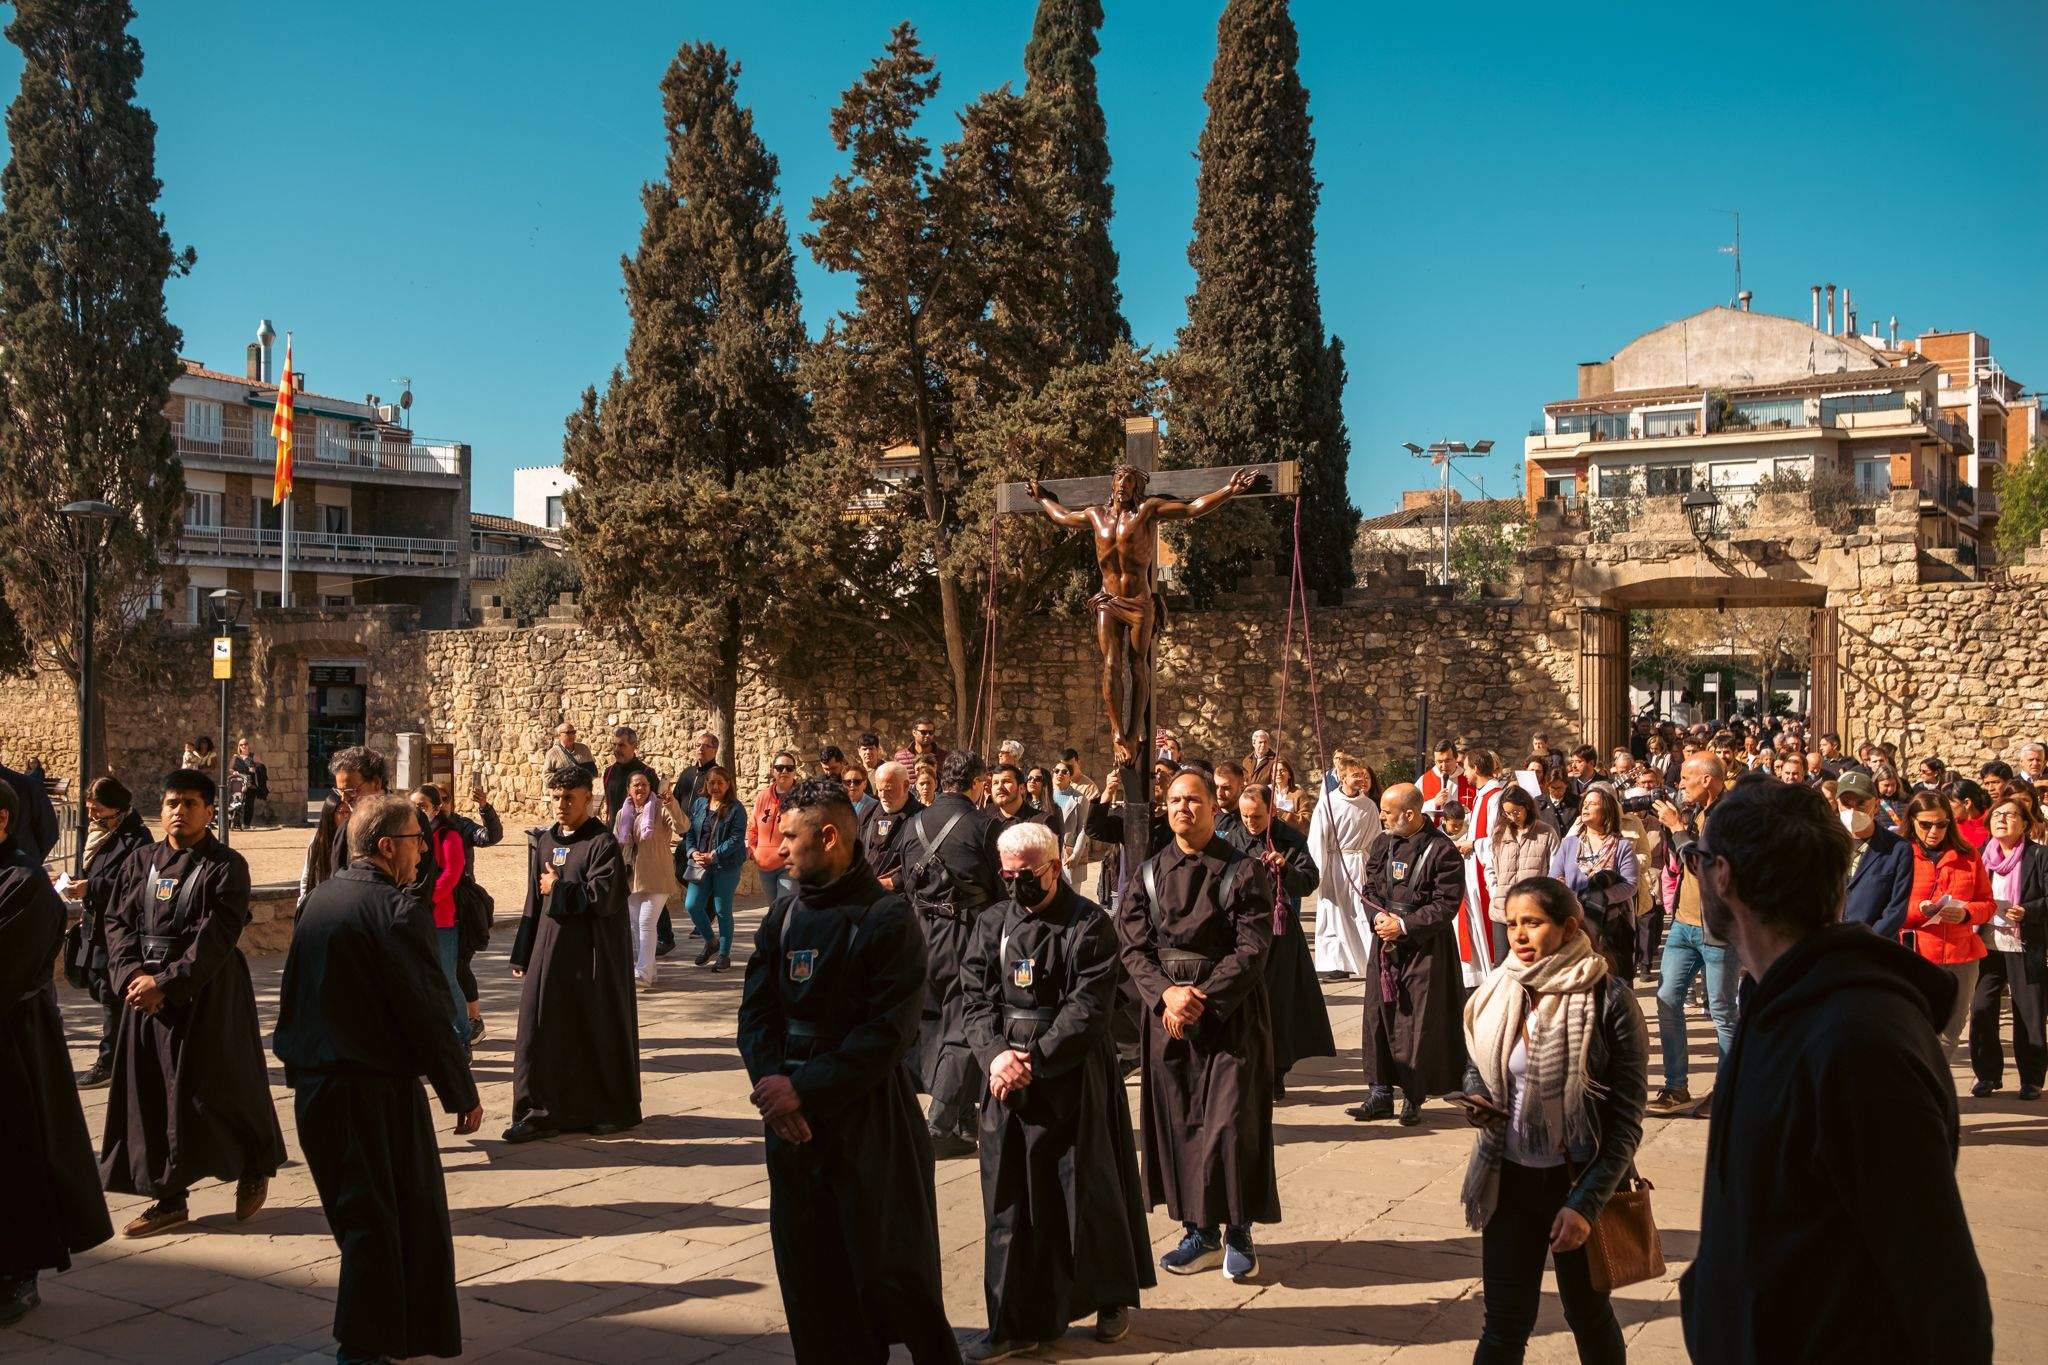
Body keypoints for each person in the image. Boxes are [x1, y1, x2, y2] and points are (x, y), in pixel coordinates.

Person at [1678, 779, 1992, 1364]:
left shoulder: (1857, 1039)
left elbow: (1940, 1285)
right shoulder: (1779, 1002)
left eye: (1697, 862)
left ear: (1723, 877)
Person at [735, 778, 959, 1365]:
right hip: (790, 1123)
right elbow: (755, 1013)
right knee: (810, 1275)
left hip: (867, 1121)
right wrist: (773, 1088)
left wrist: (802, 1089)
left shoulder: (886, 918)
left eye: (789, 836)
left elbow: (888, 1033)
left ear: (829, 836)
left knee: (891, 1271)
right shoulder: (783, 914)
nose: (776, 847)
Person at [274, 794, 484, 1365]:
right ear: (388, 846)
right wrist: (459, 1091)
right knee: (378, 1221)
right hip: (372, 1091)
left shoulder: (321, 898)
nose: (424, 853)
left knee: (364, 1217)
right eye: (419, 841)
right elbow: (424, 1009)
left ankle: (391, 1333)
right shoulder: (395, 908)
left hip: (318, 1088)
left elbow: (292, 996)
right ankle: (363, 1347)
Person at [960, 821, 1151, 1359]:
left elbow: (1088, 1007)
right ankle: (1012, 1319)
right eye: (1008, 875)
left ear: (1055, 866)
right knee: (1007, 1200)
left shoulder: (1090, 925)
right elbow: (974, 996)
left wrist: (1035, 1058)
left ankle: (1108, 1296)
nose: (1016, 885)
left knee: (1085, 1191)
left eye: (1027, 875)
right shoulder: (992, 923)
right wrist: (996, 1055)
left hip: (1071, 1077)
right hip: (1004, 1077)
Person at [1459, 877, 1647, 1365]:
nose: (1518, 935)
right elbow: (1478, 1062)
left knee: (1587, 1315)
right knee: (1502, 1326)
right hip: (1509, 1180)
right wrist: (1479, 1096)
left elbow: (1626, 1123)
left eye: (1533, 923)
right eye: (1512, 923)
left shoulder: (1609, 998)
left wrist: (1585, 1205)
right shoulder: (1501, 987)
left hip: (1578, 1180)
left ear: (1568, 927)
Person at [99, 769, 285, 1236]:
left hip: (208, 992)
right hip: (144, 995)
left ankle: (253, 1165)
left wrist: (168, 981)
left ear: (209, 810)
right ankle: (167, 1197)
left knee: (222, 1087)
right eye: (170, 803)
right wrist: (134, 975)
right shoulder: (141, 861)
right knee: (153, 1094)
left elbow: (216, 936)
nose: (177, 812)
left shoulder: (226, 866)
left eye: (189, 803)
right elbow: (118, 923)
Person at [1118, 769, 1278, 1282]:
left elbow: (1252, 949)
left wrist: (1202, 998)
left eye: (1193, 799)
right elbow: (1133, 947)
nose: (1183, 808)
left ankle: (1239, 1232)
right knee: (1179, 1121)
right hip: (1167, 1013)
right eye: (1174, 801)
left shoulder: (1244, 871)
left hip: (1228, 1013)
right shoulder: (1147, 873)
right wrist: (1166, 993)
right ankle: (1199, 1231)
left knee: (1232, 1124)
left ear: (1213, 805)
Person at [0, 780, 113, 1326]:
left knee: (16, 1161)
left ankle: (17, 1274)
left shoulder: (22, 885)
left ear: (1, 821)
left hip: (13, 1049)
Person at [505, 768, 638, 1142]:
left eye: (569, 798)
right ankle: (537, 1112)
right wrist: (523, 952)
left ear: (588, 799)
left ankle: (605, 1110)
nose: (561, 805)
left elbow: (605, 896)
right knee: (538, 1028)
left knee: (593, 1030)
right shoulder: (546, 840)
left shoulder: (602, 843)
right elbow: (534, 899)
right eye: (555, 798)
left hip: (592, 956)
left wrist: (559, 888)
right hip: (550, 952)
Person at [904, 750, 1005, 1157]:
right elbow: (1002, 889)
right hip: (967, 934)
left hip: (922, 933)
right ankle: (940, 1122)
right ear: (977, 783)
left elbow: (907, 882)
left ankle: (961, 1115)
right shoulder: (984, 825)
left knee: (933, 1021)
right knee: (967, 1024)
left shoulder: (913, 823)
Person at [1351, 784, 1468, 1126]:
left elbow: (1446, 903)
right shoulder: (1382, 843)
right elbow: (1369, 888)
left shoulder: (1443, 851)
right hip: (1384, 938)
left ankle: (1413, 1096)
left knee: (1416, 1020)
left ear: (1410, 814)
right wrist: (1379, 918)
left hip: (1424, 944)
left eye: (1387, 811)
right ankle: (1379, 1092)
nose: (1382, 816)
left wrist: (1404, 925)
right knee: (1378, 1013)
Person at [1227, 783, 1334, 1098]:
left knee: (1279, 1003)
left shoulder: (1290, 839)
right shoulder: (1233, 837)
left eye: (1257, 816)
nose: (1250, 822)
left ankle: (1276, 1071)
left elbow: (1309, 881)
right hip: (1241, 931)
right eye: (1245, 816)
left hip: (1279, 933)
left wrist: (1285, 869)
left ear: (1271, 810)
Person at [1648, 756, 1738, 1115]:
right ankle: (1676, 1086)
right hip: (1684, 924)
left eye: (1686, 778)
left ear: (1708, 779)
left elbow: (1707, 868)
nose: (1680, 783)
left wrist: (1677, 829)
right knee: (1667, 1000)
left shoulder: (1729, 817)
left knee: (1722, 1011)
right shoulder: (1700, 810)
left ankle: (1727, 1091)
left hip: (1717, 929)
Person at [66, 777, 152, 1089]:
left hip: (118, 929)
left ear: (116, 808)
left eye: (96, 810)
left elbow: (133, 883)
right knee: (95, 984)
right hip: (94, 924)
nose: (91, 816)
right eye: (88, 809)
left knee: (109, 994)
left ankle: (109, 1061)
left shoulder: (137, 839)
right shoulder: (100, 834)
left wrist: (91, 886)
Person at [1900, 790, 1995, 1065]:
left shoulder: (1968, 855)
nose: (1934, 831)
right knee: (1915, 1028)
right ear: (1913, 821)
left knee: (1951, 1031)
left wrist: (1966, 913)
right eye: (1926, 824)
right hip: (1916, 954)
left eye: (1941, 824)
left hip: (1961, 954)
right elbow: (1887, 906)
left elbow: (1987, 904)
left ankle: (1932, 1089)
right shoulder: (1901, 854)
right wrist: (1919, 909)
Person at [1970, 788, 2048, 1100]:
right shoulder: (1981, 855)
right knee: (1982, 1008)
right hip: (1987, 943)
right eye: (1997, 815)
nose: (2001, 820)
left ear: (2025, 824)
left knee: (2028, 1011)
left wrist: (2028, 911)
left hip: (2024, 942)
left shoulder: (2039, 856)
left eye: (2009, 815)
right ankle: (1987, 1075)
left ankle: (2031, 1079)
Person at [409, 785, 476, 1047]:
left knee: (447, 978)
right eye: (414, 805)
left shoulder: (448, 836)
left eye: (423, 805)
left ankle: (462, 1036)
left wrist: (426, 899)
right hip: (416, 915)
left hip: (441, 918)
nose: (418, 810)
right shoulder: (410, 834)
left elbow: (452, 873)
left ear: (436, 808)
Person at [1549, 784, 1638, 978]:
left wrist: (1599, 898)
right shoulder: (1569, 844)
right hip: (1575, 921)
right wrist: (1573, 898)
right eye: (1585, 803)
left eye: (1592, 804)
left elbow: (1630, 884)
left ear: (1606, 811)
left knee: (1615, 980)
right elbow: (1554, 878)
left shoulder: (1622, 846)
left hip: (1611, 926)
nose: (1586, 807)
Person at [1307, 751, 1383, 979]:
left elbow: (1374, 840)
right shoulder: (1328, 803)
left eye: (1361, 775)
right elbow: (1317, 837)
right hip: (1334, 864)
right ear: (1342, 778)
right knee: (1334, 914)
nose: (1360, 779)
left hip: (1358, 863)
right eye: (1355, 776)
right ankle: (1335, 964)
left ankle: (1367, 959)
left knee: (1359, 911)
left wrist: (1372, 868)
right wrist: (1318, 871)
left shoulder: (1369, 806)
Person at [614, 770, 685, 990]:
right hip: (632, 877)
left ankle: (642, 971)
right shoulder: (622, 814)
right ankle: (650, 970)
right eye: (635, 785)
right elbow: (618, 843)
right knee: (636, 925)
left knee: (646, 923)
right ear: (628, 789)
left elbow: (682, 827)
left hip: (657, 876)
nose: (640, 789)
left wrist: (671, 803)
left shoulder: (660, 809)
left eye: (644, 785)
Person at [682, 764, 749, 971]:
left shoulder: (736, 808)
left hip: (725, 865)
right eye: (711, 782)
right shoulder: (699, 804)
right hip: (700, 864)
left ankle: (724, 954)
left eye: (720, 782)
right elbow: (690, 831)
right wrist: (692, 851)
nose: (715, 786)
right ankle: (711, 942)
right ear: (706, 784)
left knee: (722, 910)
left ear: (728, 785)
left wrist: (714, 855)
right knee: (692, 905)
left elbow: (737, 838)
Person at [1483, 784, 1558, 965]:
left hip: (1533, 910)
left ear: (1527, 807)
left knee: (1531, 962)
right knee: (1502, 964)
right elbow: (1490, 867)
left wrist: (1543, 898)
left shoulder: (1546, 833)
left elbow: (1555, 870)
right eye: (1507, 813)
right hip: (1502, 909)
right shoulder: (1499, 834)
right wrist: (1494, 891)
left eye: (1516, 812)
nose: (1512, 817)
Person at [1838, 769, 1913, 940]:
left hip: (1874, 947)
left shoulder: (1897, 848)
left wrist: (1867, 941)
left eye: (1860, 804)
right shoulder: (1825, 843)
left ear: (1876, 805)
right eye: (1846, 804)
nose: (1853, 810)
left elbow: (1896, 908)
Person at [861, 761, 925, 892]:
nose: (883, 796)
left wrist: (894, 882)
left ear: (906, 786)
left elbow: (925, 861)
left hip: (900, 897)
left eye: (889, 790)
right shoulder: (868, 813)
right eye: (879, 790)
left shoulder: (923, 818)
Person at [750, 751, 802, 907]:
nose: (784, 772)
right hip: (764, 864)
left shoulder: (802, 796)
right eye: (779, 768)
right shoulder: (762, 796)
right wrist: (754, 851)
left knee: (783, 907)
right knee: (773, 909)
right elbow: (753, 827)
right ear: (773, 771)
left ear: (794, 771)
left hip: (788, 864)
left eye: (789, 768)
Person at [0, 755, 59, 863]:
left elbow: (48, 831)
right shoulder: (28, 785)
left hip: (19, 869)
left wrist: (30, 864)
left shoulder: (27, 785)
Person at [988, 762, 1063, 846]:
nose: (1000, 787)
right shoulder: (985, 820)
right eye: (995, 783)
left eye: (1006, 781)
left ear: (1022, 788)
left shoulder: (1043, 822)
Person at [601, 726, 658, 818]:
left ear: (634, 746)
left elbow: (655, 807)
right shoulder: (609, 772)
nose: (616, 749)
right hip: (613, 829)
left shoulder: (647, 774)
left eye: (621, 745)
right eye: (614, 745)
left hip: (638, 830)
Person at [543, 720, 597, 788]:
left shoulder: (584, 749)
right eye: (568, 732)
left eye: (573, 732)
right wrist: (564, 781)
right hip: (564, 793)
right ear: (559, 735)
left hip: (581, 793)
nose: (571, 735)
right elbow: (546, 775)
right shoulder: (552, 753)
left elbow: (593, 771)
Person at [229, 738, 268, 830]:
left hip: (250, 784)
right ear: (239, 746)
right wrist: (235, 773)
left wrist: (255, 768)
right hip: (238, 783)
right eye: (241, 745)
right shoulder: (236, 757)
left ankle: (246, 824)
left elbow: (261, 768)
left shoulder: (253, 756)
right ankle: (234, 823)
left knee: (249, 804)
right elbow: (230, 769)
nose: (244, 746)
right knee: (236, 803)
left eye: (245, 744)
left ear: (248, 745)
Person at [1271, 757, 1310, 834]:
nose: (1278, 774)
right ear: (1272, 775)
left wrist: (1285, 815)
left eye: (1282, 770)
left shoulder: (1298, 793)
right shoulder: (1268, 793)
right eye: (1275, 771)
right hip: (1273, 839)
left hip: (1294, 840)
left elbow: (1307, 821)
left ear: (1289, 775)